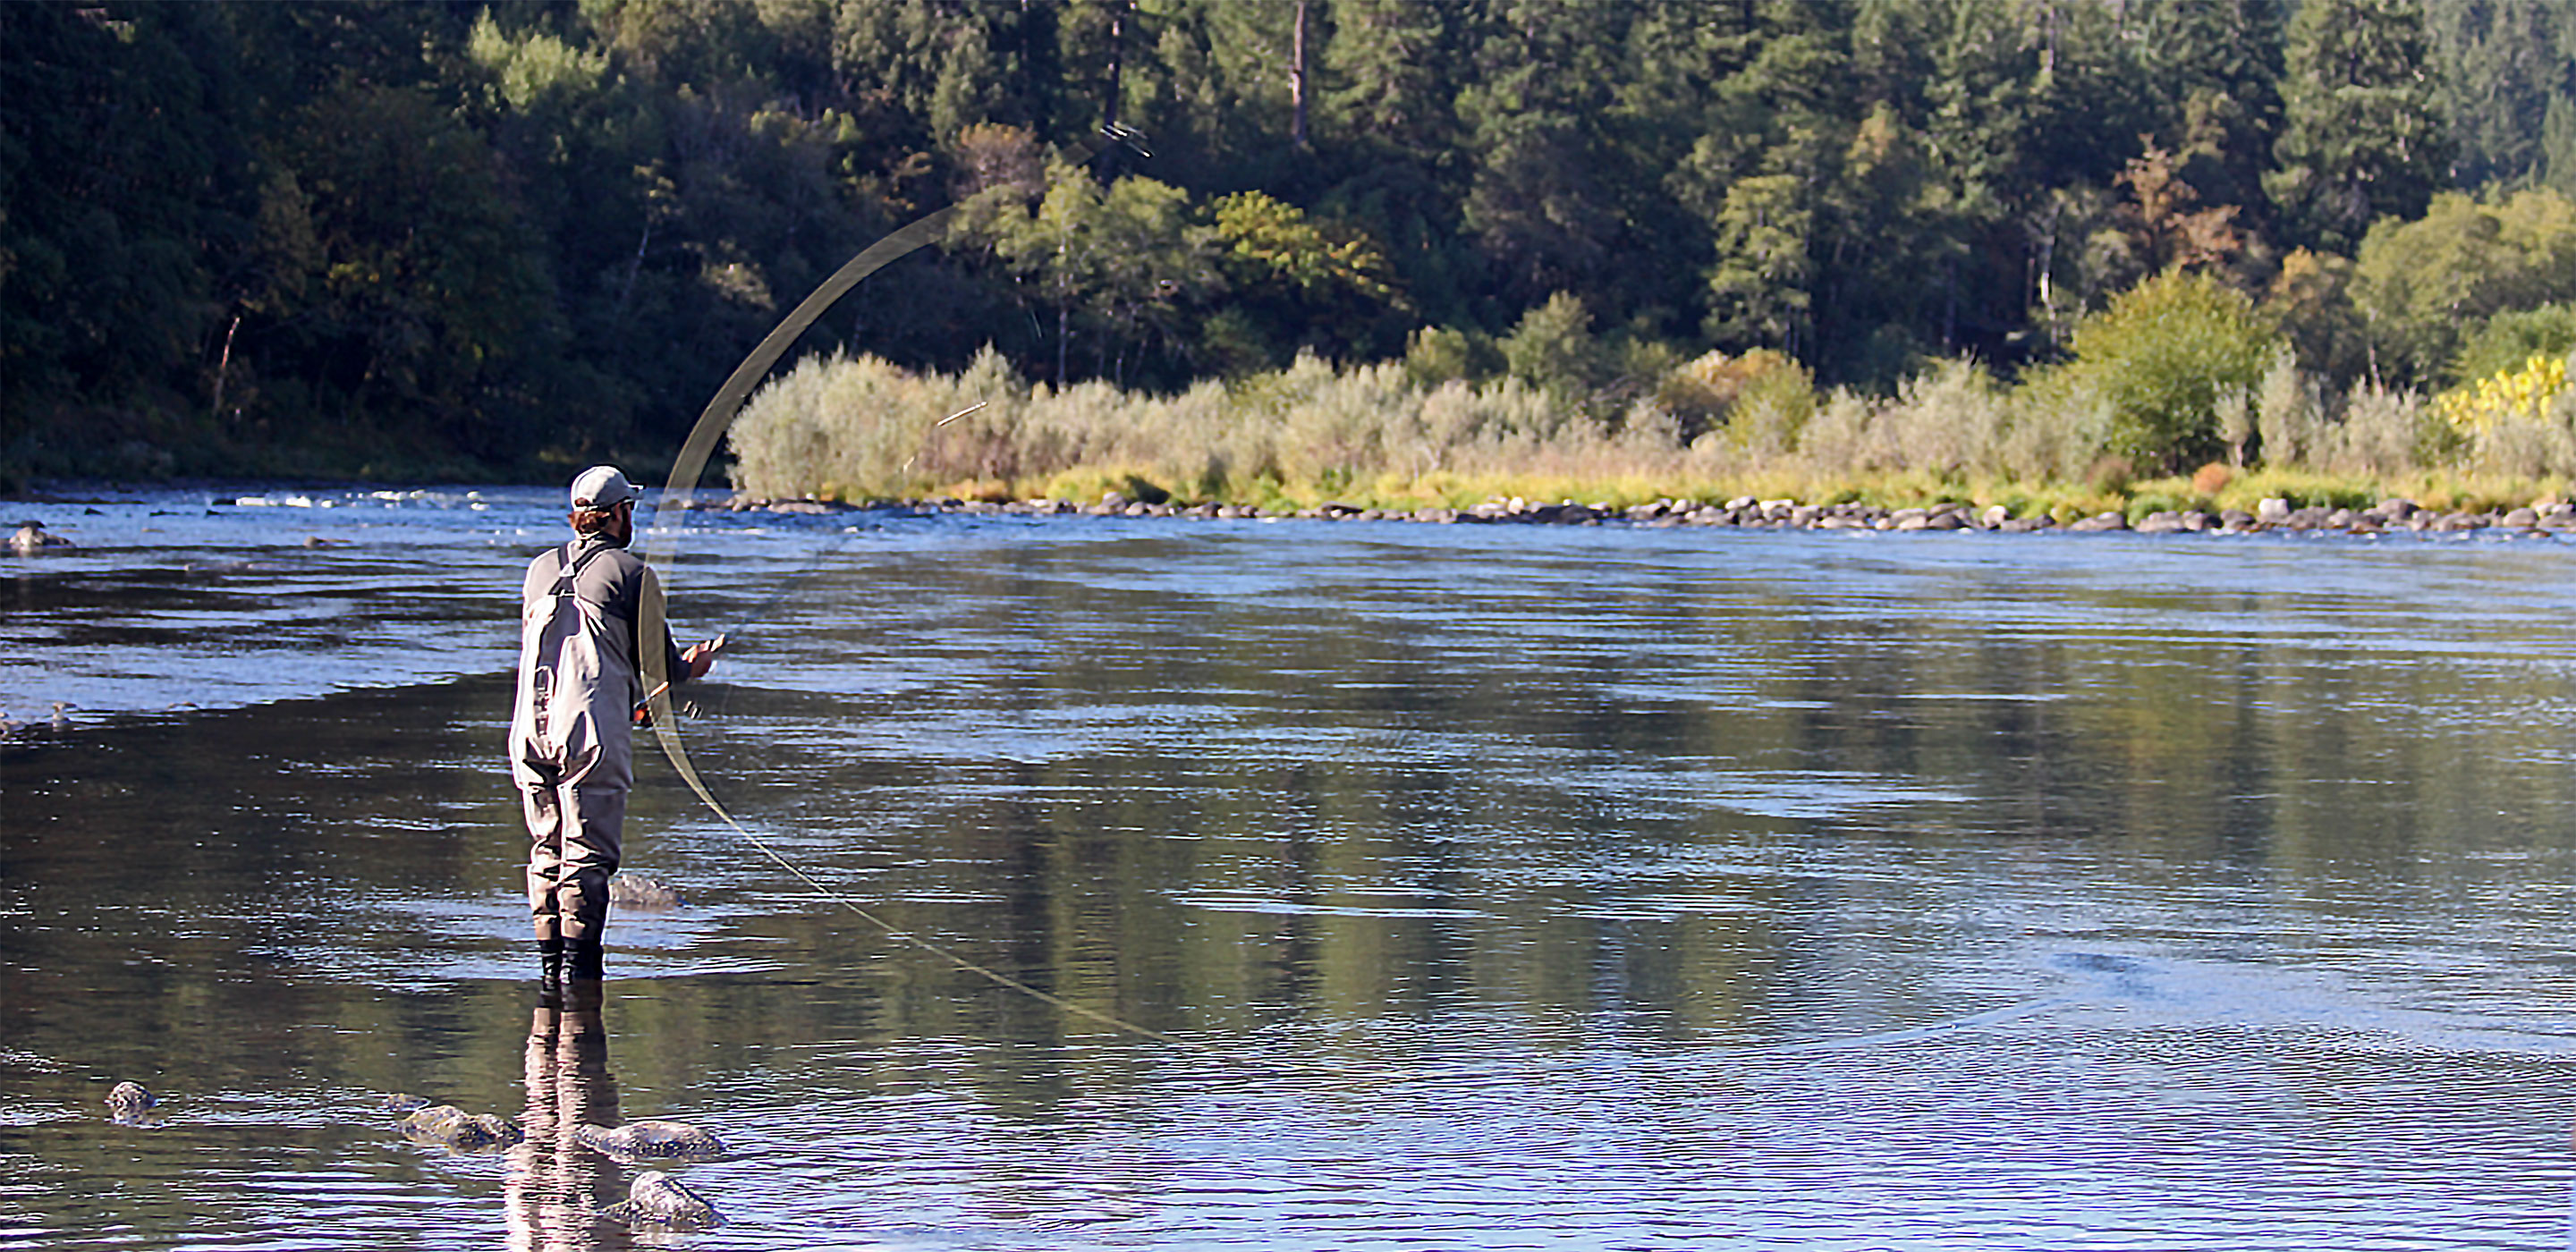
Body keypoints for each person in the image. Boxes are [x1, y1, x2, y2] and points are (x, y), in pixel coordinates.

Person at [510, 466, 717, 998]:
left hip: (529, 735)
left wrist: (626, 698)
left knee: (546, 851)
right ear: (621, 513)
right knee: (587, 858)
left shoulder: (538, 570)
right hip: (589, 738)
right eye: (632, 511)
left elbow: (570, 649)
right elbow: (661, 666)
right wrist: (693, 664)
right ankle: (581, 986)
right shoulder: (633, 574)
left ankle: (548, 980)